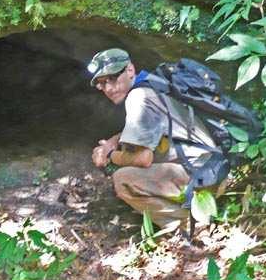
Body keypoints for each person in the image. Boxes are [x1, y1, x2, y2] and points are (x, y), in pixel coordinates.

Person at [88, 48, 221, 232]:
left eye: (112, 78)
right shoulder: (155, 85)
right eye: (102, 84)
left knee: (123, 179)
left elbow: (143, 159)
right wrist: (113, 141)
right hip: (214, 170)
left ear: (130, 70)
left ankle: (187, 224)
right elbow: (147, 128)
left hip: (199, 178)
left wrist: (110, 154)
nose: (109, 88)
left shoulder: (138, 97)